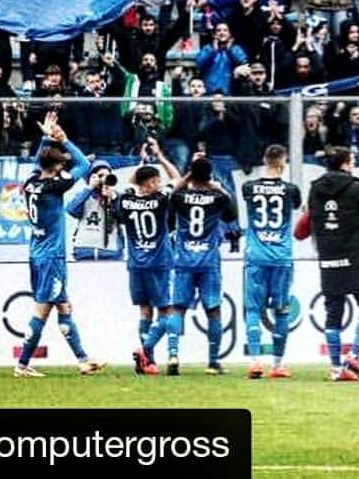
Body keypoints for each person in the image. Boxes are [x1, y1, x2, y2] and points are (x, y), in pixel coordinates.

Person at [14, 110, 106, 377]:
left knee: (63, 305)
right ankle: (22, 364)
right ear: (55, 168)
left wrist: (45, 138)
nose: (64, 167)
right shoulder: (55, 185)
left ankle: (83, 360)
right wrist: (64, 140)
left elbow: (38, 160)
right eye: (60, 164)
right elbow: (84, 166)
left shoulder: (31, 181)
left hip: (37, 251)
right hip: (51, 256)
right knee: (43, 310)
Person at [301, 146, 359, 381]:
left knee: (333, 313)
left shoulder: (314, 189)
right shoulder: (356, 187)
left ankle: (336, 368)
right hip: (356, 256)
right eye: (352, 161)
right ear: (345, 164)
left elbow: (312, 220)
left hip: (328, 255)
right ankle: (354, 355)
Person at [167, 153, 238, 375]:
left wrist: (189, 174)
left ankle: (172, 355)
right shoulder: (218, 198)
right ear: (209, 176)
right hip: (208, 261)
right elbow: (231, 213)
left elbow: (174, 193)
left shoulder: (179, 197)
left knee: (177, 308)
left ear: (190, 176)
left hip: (184, 259)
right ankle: (213, 362)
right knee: (213, 311)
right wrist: (214, 186)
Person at [114, 137, 180, 375]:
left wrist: (142, 163)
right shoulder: (160, 200)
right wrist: (160, 156)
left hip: (135, 264)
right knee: (167, 312)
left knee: (144, 312)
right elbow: (177, 179)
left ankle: (147, 363)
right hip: (159, 263)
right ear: (151, 183)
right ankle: (145, 349)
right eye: (156, 180)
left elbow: (130, 183)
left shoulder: (127, 200)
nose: (160, 183)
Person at [242, 143, 301, 379]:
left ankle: (255, 361)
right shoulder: (290, 189)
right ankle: (277, 365)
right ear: (283, 161)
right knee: (282, 310)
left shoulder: (249, 187)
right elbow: (296, 205)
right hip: (281, 257)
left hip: (256, 256)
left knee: (253, 309)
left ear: (265, 160)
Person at [66, 158, 124, 261]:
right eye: (100, 176)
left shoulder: (117, 196)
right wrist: (89, 188)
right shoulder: (84, 194)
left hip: (110, 252)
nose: (104, 179)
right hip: (84, 250)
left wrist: (113, 198)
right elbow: (71, 210)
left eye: (107, 176)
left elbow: (124, 219)